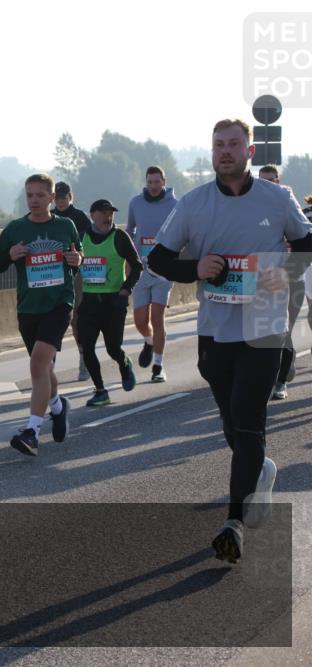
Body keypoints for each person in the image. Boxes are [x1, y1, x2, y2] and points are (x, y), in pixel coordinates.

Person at [150, 119, 312, 564]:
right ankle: (260, 469)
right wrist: (196, 269)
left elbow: (307, 244)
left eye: (234, 144)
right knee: (230, 421)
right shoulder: (193, 203)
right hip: (215, 328)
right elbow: (158, 258)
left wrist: (287, 273)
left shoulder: (277, 198)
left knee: (247, 418)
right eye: (218, 145)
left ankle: (234, 523)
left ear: (249, 152)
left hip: (265, 325)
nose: (225, 151)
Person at [0, 173, 82, 456]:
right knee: (44, 369)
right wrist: (10, 255)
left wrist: (77, 259)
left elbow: (77, 255)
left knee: (37, 364)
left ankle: (32, 431)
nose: (34, 200)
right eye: (29, 195)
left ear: (52, 198)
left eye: (40, 195)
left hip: (59, 304)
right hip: (28, 307)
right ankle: (58, 406)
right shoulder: (15, 229)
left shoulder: (65, 226)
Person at [78, 200, 143, 406]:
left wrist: (127, 288)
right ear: (92, 215)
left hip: (114, 301)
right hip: (89, 301)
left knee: (113, 348)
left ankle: (124, 363)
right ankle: (100, 391)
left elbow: (137, 265)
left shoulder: (120, 237)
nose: (108, 217)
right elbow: (71, 262)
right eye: (103, 213)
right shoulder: (82, 238)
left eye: (111, 213)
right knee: (87, 347)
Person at [126, 166, 178, 382]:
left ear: (164, 182)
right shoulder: (136, 203)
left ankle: (158, 366)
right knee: (140, 321)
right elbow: (129, 231)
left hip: (164, 271)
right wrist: (128, 259)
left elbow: (181, 232)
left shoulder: (175, 205)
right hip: (141, 269)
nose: (153, 186)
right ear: (145, 182)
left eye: (157, 182)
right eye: (150, 182)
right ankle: (149, 340)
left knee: (157, 317)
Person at [257, 166, 304, 400]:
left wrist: (291, 246)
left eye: (271, 180)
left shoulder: (288, 204)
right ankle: (273, 371)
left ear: (278, 180)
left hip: (291, 278)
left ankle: (281, 381)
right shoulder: (252, 209)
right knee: (264, 331)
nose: (266, 185)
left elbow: (306, 239)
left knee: (284, 330)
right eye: (262, 181)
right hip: (263, 279)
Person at [52, 182, 93, 380]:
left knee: (77, 319)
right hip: (52, 273)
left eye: (64, 197)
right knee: (50, 318)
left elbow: (91, 241)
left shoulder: (79, 217)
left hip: (76, 273)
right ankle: (48, 365)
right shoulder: (48, 216)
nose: (60, 201)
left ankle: (84, 358)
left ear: (70, 197)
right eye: (57, 198)